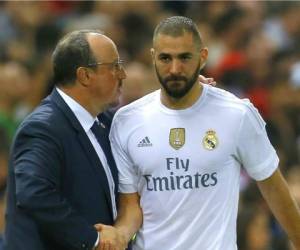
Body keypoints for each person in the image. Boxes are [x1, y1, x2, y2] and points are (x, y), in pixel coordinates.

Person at [109, 16, 300, 250]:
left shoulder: (236, 114)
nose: (175, 69)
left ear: (202, 57)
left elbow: (273, 187)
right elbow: (130, 206)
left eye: (184, 57)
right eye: (165, 58)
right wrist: (119, 235)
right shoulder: (127, 121)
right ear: (152, 58)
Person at [4, 30, 127, 250]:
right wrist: (94, 239)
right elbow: (35, 194)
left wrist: (187, 98)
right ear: (85, 75)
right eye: (114, 66)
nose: (122, 74)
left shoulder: (104, 122)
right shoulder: (43, 127)